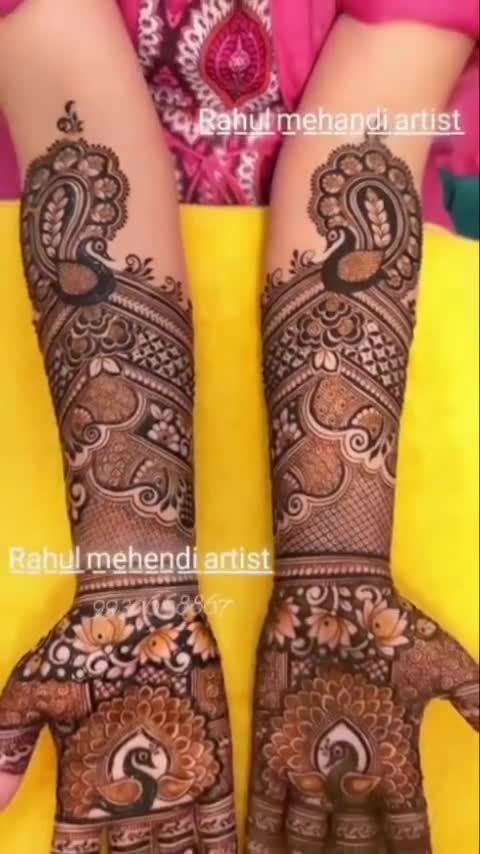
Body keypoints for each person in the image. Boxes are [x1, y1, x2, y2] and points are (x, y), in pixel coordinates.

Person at [0, 2, 478, 852]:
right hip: (59, 377)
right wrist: (131, 583)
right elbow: (67, 112)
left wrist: (337, 578)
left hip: (382, 392)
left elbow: (371, 131)